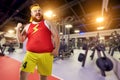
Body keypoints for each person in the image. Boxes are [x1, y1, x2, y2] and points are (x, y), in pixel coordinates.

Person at [16, 3, 60, 80]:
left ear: (42, 12)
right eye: (35, 11)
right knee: (22, 72)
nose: (37, 12)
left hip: (46, 54)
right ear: (31, 13)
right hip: (30, 55)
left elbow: (56, 35)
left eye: (39, 10)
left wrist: (56, 49)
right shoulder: (27, 26)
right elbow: (21, 40)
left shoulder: (47, 22)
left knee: (43, 76)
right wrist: (17, 29)